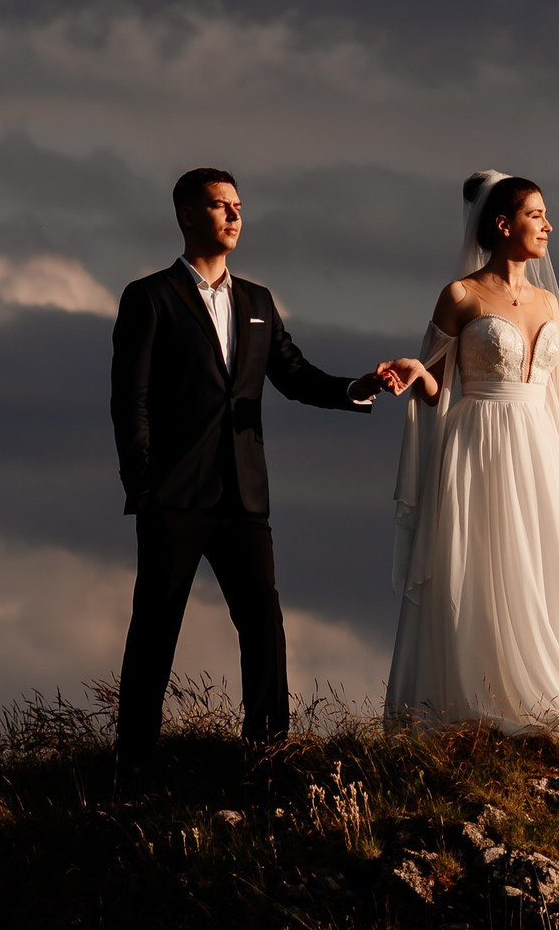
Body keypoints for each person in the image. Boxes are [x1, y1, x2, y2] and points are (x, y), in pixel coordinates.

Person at [110, 166, 429, 767]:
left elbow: (294, 373)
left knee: (263, 620)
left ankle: (268, 753)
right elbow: (131, 401)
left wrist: (357, 386)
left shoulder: (257, 300)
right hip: (173, 496)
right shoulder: (149, 297)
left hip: (244, 495)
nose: (234, 215)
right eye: (219, 205)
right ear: (186, 215)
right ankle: (133, 762)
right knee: (155, 627)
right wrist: (144, 486)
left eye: (238, 205)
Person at [386, 169, 559, 772]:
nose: (548, 226)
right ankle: (481, 703)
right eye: (537, 215)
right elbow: (437, 385)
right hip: (479, 443)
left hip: (539, 449)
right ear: (503, 224)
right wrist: (415, 371)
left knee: (544, 567)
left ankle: (556, 706)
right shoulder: (460, 296)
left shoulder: (549, 303)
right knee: (484, 566)